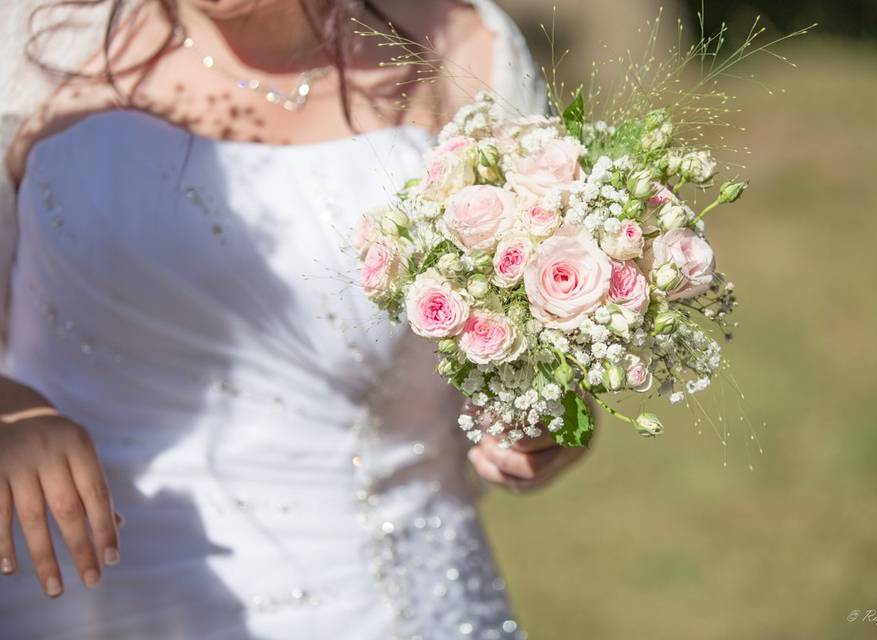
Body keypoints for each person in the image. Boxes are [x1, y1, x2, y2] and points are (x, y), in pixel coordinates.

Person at [0, 1, 586, 637]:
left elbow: (548, 358)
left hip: (382, 600)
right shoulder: (35, 44)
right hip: (78, 593)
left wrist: (544, 426)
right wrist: (11, 410)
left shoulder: (467, 52)